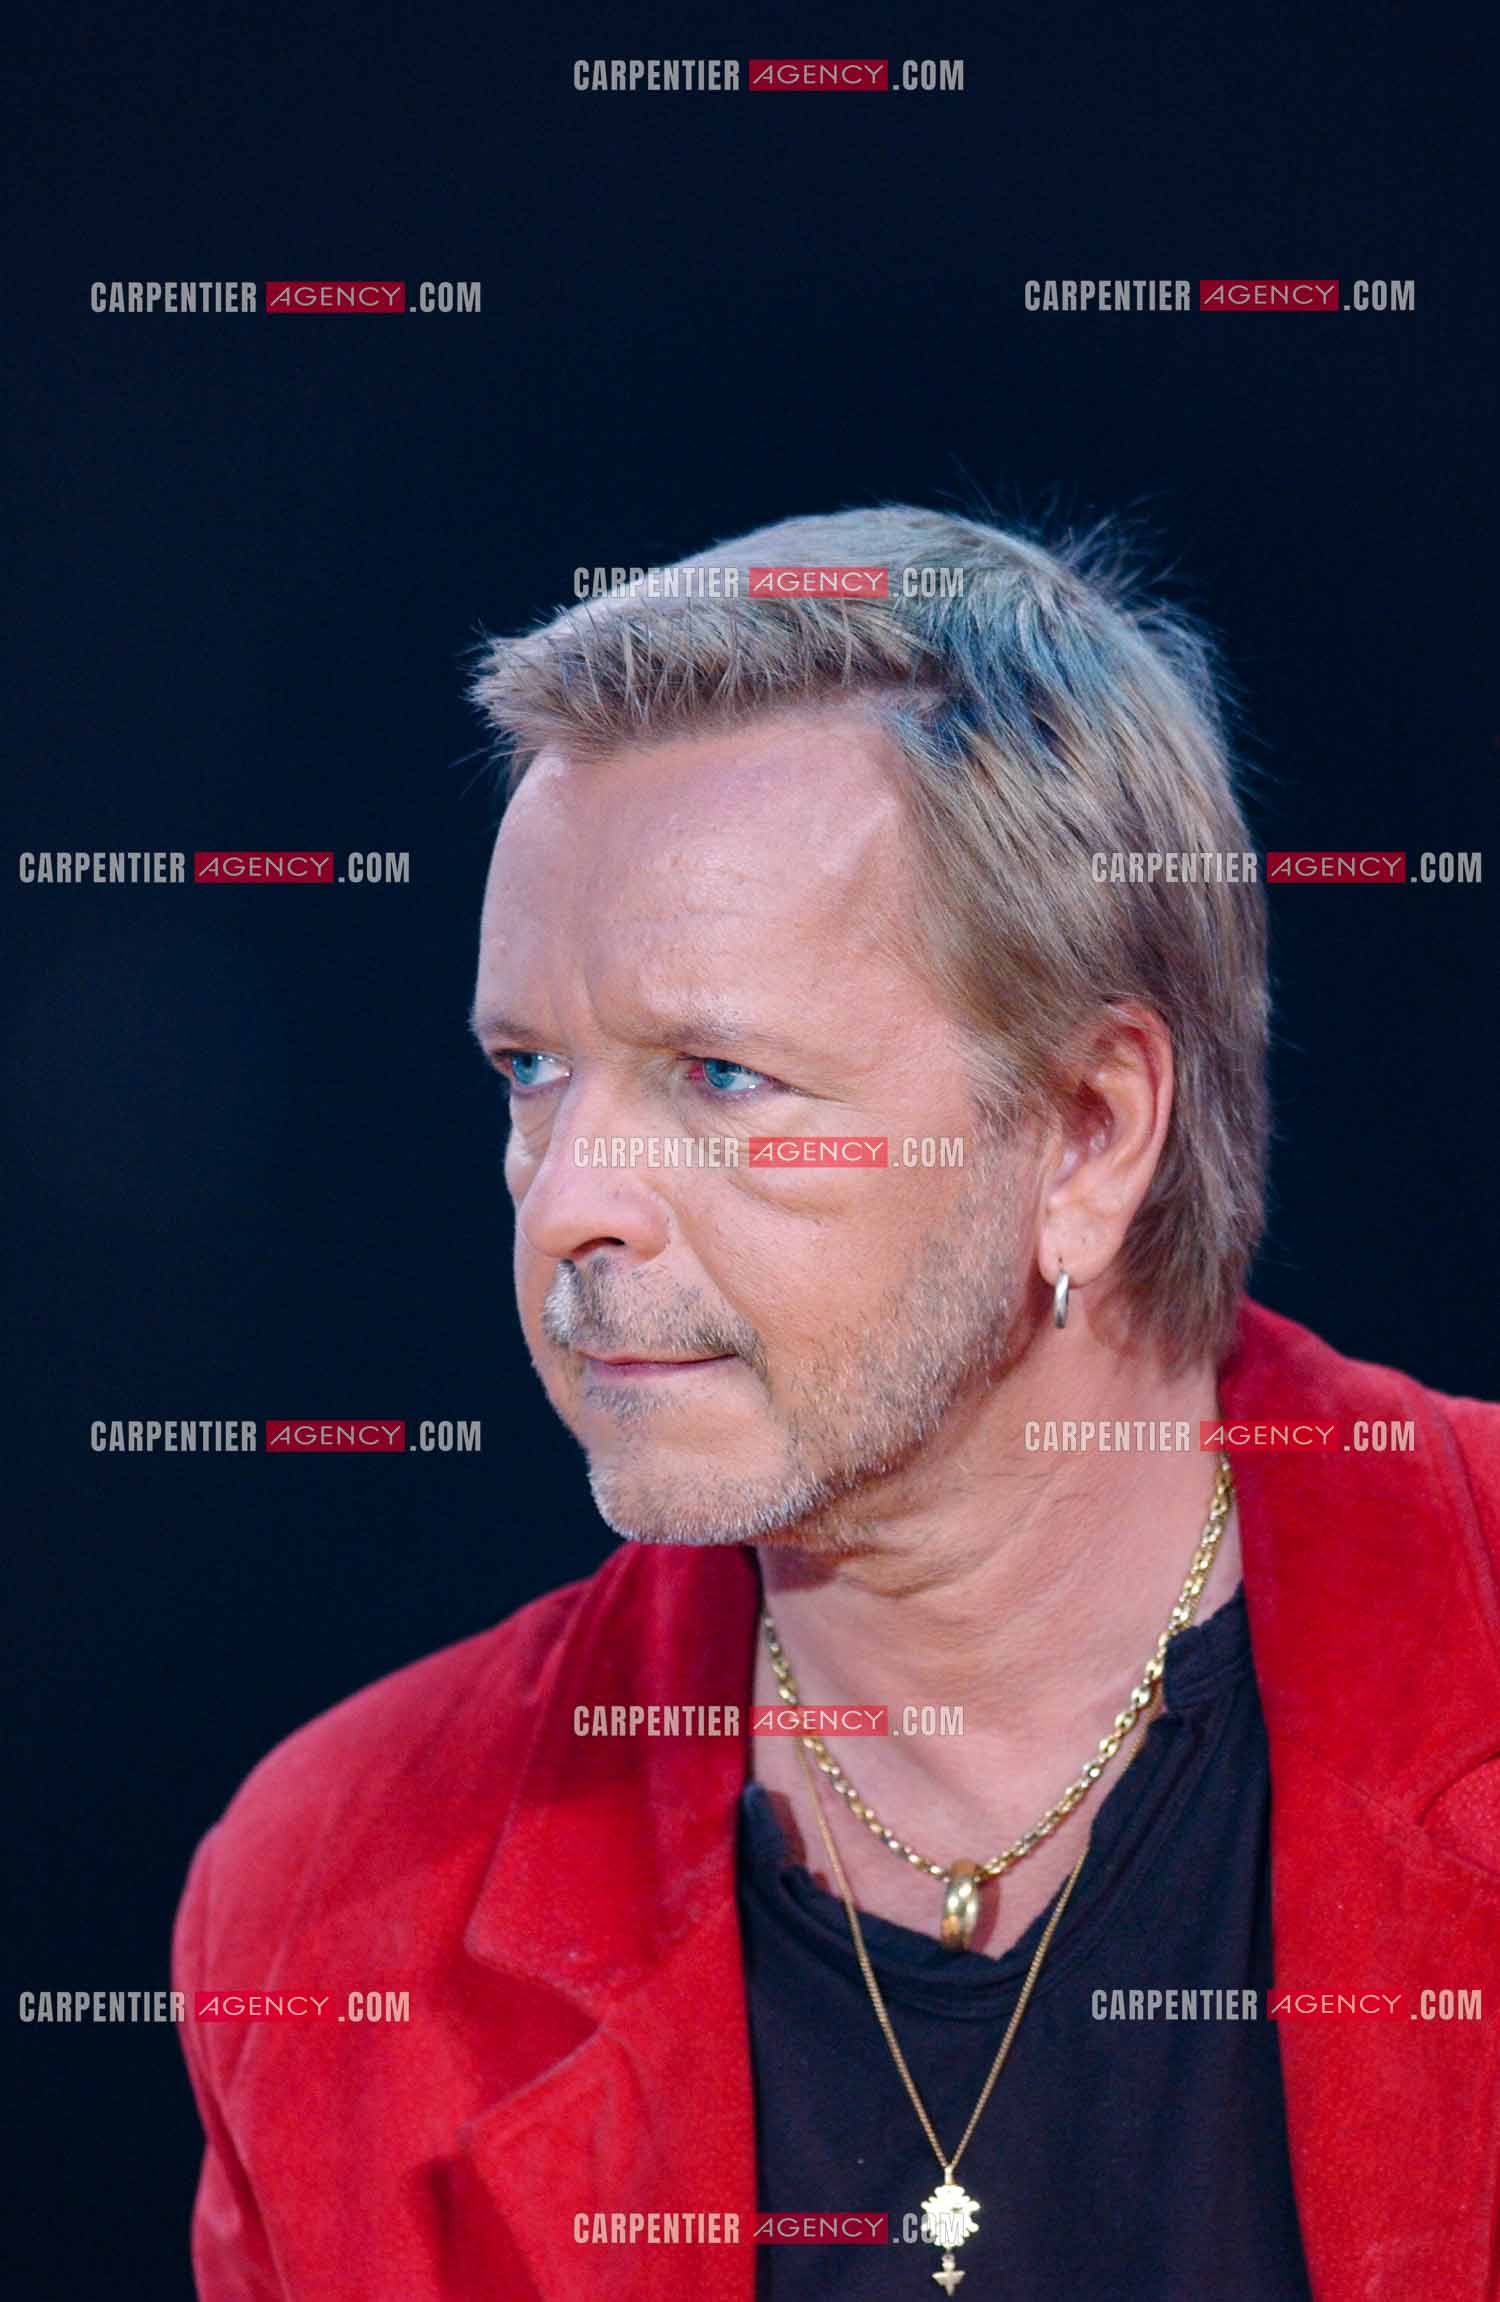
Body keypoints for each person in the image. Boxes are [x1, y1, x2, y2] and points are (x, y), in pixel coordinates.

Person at [173, 508, 1500, 2302]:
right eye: (531, 1071)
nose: (567, 1200)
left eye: (720, 1074)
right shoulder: (341, 1897)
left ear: (1092, 1132)